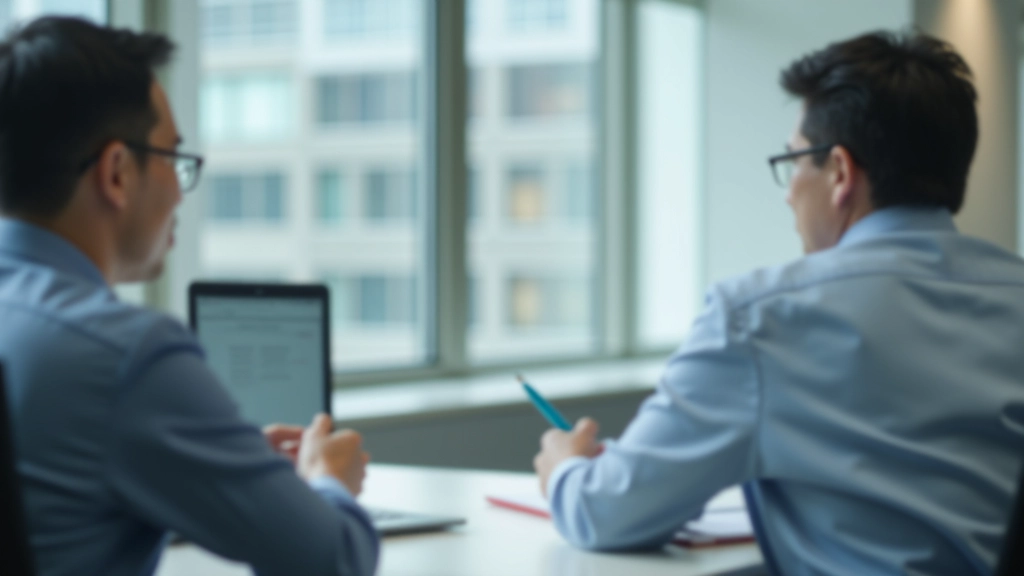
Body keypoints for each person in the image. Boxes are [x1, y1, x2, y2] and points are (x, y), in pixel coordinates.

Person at [534, 30, 1024, 575]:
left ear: (839, 172)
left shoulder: (759, 318)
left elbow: (607, 511)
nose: (790, 191)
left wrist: (564, 470)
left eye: (794, 163)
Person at [0, 17, 377, 576]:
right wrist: (326, 480)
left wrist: (214, 461)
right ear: (117, 172)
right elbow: (332, 559)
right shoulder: (124, 354)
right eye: (173, 157)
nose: (180, 188)